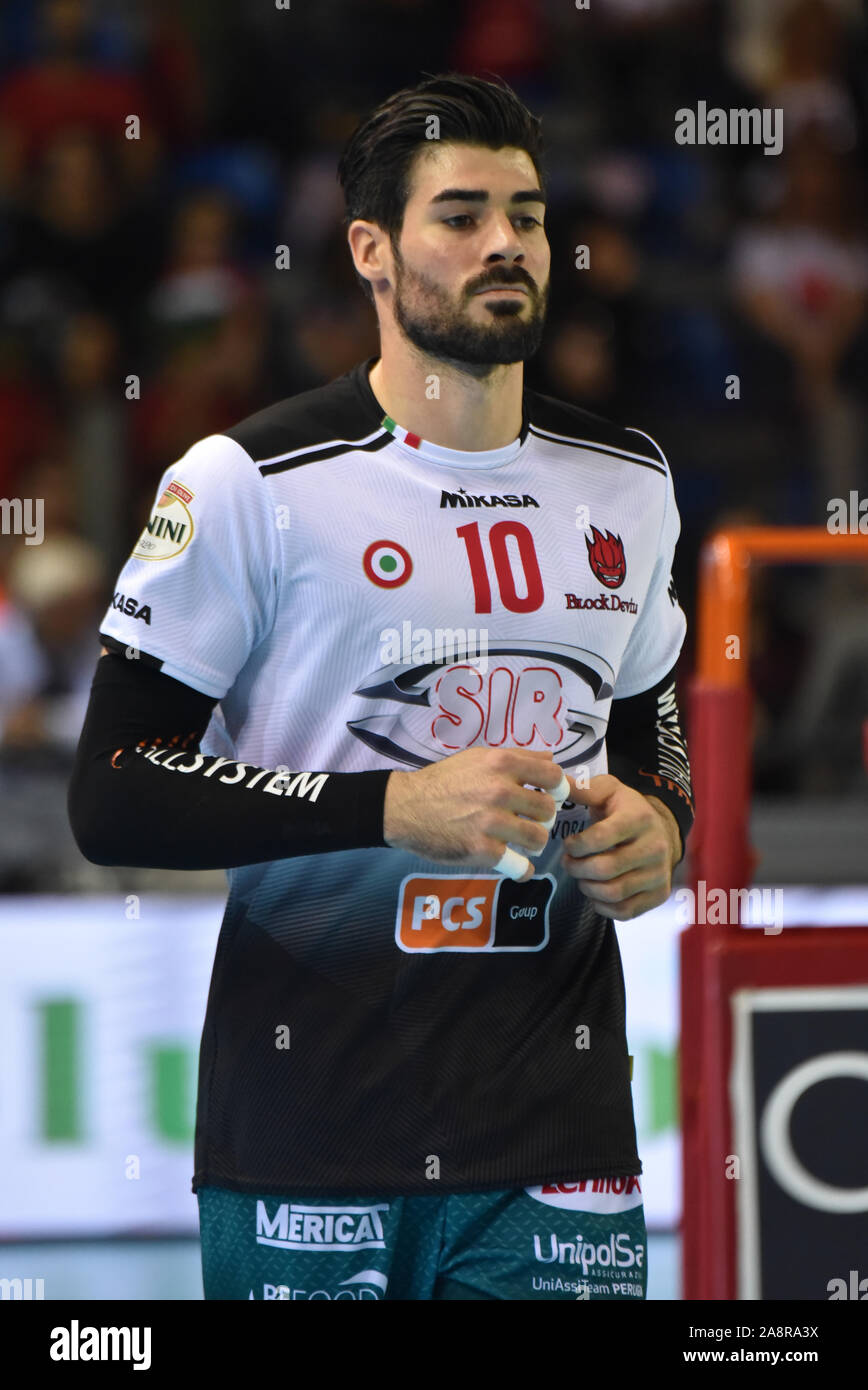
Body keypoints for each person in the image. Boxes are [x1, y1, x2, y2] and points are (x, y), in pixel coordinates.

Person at [68, 73, 693, 1301]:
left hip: (557, 1146)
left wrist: (663, 823)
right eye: (459, 215)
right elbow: (114, 791)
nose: (505, 243)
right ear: (371, 249)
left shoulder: (628, 480)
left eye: (524, 212)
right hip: (308, 1133)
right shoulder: (248, 480)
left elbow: (651, 729)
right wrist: (391, 808)